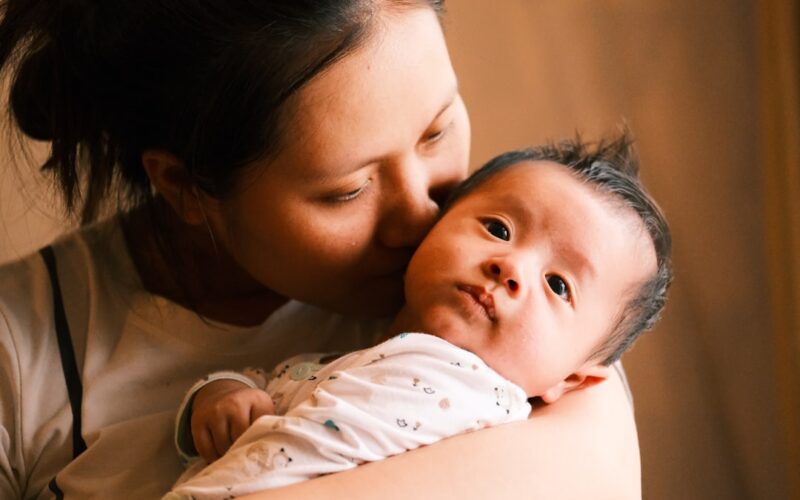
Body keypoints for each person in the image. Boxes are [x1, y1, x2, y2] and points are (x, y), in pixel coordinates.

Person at [0, 1, 644, 498]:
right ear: (185, 185)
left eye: (438, 128)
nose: (420, 216)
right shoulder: (22, 354)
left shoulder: (517, 319)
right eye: (347, 190)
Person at [166, 136, 672, 499]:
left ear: (573, 378)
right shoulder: (337, 359)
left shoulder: (495, 419)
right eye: (497, 228)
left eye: (558, 285)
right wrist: (219, 396)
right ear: (432, 225)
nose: (511, 266)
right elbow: (259, 392)